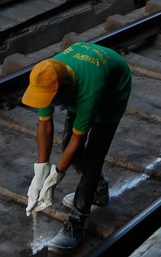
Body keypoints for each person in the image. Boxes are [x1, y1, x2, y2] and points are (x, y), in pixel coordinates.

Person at [23, 42, 132, 252]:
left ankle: (77, 223)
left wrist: (55, 177)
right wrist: (41, 171)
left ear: (65, 88)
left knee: (92, 158)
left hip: (111, 90)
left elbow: (78, 140)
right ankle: (98, 190)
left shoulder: (89, 90)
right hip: (81, 83)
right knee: (65, 144)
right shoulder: (47, 79)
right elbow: (45, 125)